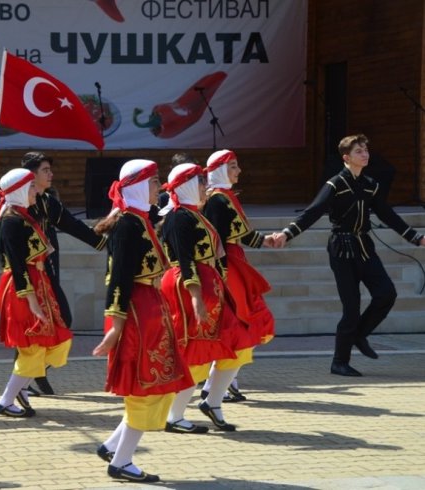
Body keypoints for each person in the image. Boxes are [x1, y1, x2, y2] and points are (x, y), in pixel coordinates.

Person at [274, 134, 425, 377]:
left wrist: (415, 237)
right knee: (351, 307)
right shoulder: (335, 184)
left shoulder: (370, 184)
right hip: (341, 249)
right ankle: (339, 361)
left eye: (366, 150)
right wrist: (287, 233)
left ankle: (360, 334)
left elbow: (386, 214)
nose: (365, 154)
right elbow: (313, 212)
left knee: (386, 293)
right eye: (359, 151)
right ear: (346, 158)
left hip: (364, 246)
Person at [92, 159, 193, 483]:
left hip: (149, 309)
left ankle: (113, 447)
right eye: (153, 183)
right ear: (136, 186)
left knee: (156, 383)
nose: (157, 188)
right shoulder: (127, 226)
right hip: (136, 313)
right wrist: (116, 327)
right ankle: (121, 462)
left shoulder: (140, 221)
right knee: (145, 387)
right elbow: (117, 279)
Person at [159, 163, 254, 434]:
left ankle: (212, 402)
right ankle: (174, 416)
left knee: (238, 345)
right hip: (189, 288)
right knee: (196, 352)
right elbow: (185, 260)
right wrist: (196, 297)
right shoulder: (179, 217)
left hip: (210, 286)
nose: (205, 188)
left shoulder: (195, 214)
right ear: (188, 186)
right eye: (200, 184)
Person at [21, 151, 107, 395]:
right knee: (30, 331)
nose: (51, 174)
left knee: (63, 321)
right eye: (45, 170)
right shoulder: (16, 206)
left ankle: (34, 375)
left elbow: (74, 226)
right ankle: (23, 383)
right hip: (28, 278)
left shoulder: (49, 202)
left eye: (50, 169)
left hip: (49, 275)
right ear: (32, 175)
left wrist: (104, 241)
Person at [0, 168, 72, 418]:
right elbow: (16, 265)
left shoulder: (23, 216)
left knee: (58, 338)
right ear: (21, 190)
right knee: (33, 344)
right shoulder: (11, 222)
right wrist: (33, 302)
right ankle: (6, 400)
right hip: (21, 288)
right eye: (32, 187)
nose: (36, 191)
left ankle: (21, 389)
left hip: (37, 284)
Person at [201, 150, 276, 402]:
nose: (238, 170)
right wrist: (218, 275)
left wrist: (265, 240)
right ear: (221, 170)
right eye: (233, 166)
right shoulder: (217, 200)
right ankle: (217, 385)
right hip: (227, 265)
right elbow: (218, 240)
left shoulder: (226, 197)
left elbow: (240, 234)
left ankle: (221, 383)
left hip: (235, 261)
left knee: (244, 321)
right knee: (242, 320)